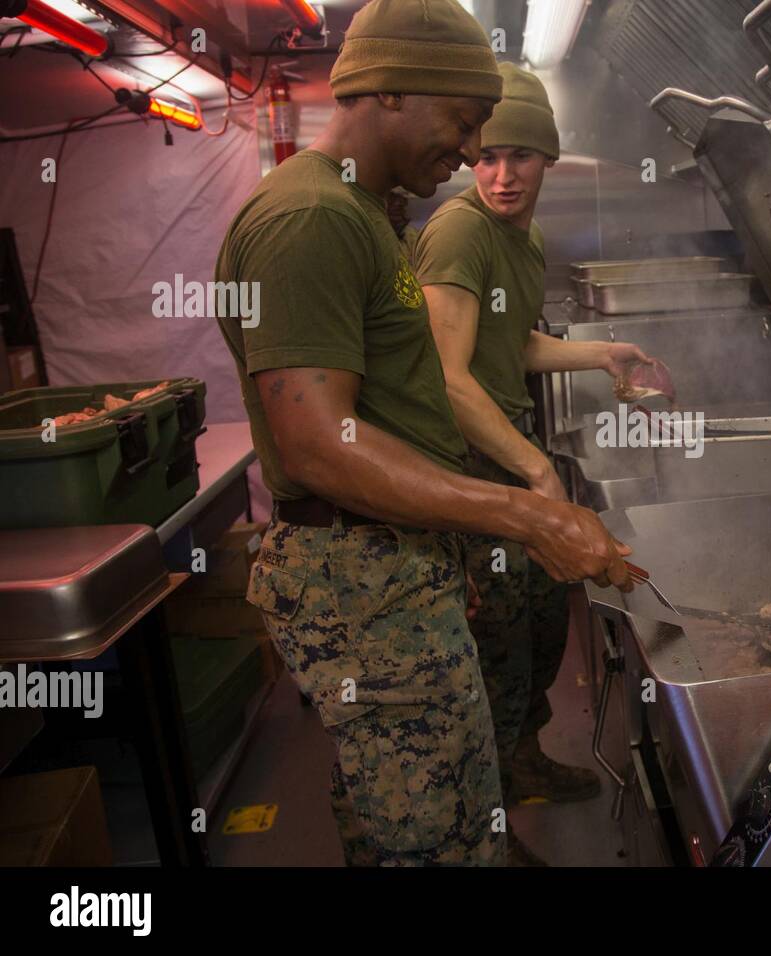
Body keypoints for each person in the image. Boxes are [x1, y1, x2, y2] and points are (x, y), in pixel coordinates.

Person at [214, 0, 633, 867]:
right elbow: (318, 444)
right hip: (361, 580)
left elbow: (390, 406)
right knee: (437, 834)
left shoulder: (365, 213)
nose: (476, 154)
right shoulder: (311, 220)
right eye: (465, 123)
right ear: (391, 91)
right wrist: (524, 512)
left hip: (393, 563)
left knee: (402, 805)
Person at [414, 62, 653, 865]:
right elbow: (447, 379)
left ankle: (518, 763)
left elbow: (508, 344)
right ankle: (485, 822)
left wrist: (601, 351)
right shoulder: (458, 231)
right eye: (485, 156)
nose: (501, 175)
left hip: (506, 455)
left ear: (547, 158)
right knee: (489, 643)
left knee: (541, 618)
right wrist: (537, 472)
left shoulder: (522, 237)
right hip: (468, 465)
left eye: (520, 156)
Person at [386, 188, 420, 263]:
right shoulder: (367, 234)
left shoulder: (413, 236)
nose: (399, 203)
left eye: (403, 198)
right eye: (392, 197)